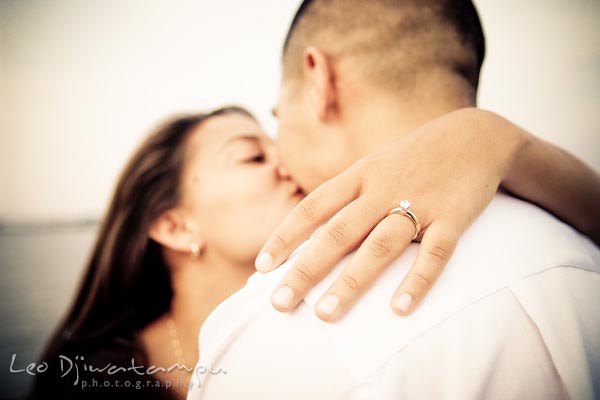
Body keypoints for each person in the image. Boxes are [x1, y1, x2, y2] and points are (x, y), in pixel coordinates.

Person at [188, 1, 600, 399]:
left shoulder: (278, 327)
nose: (278, 155)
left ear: (319, 81)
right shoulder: (580, 253)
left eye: (278, 119)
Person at [29, 106, 305, 399]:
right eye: (254, 157)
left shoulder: (317, 330)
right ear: (175, 227)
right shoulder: (87, 381)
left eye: (279, 150)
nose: (290, 164)